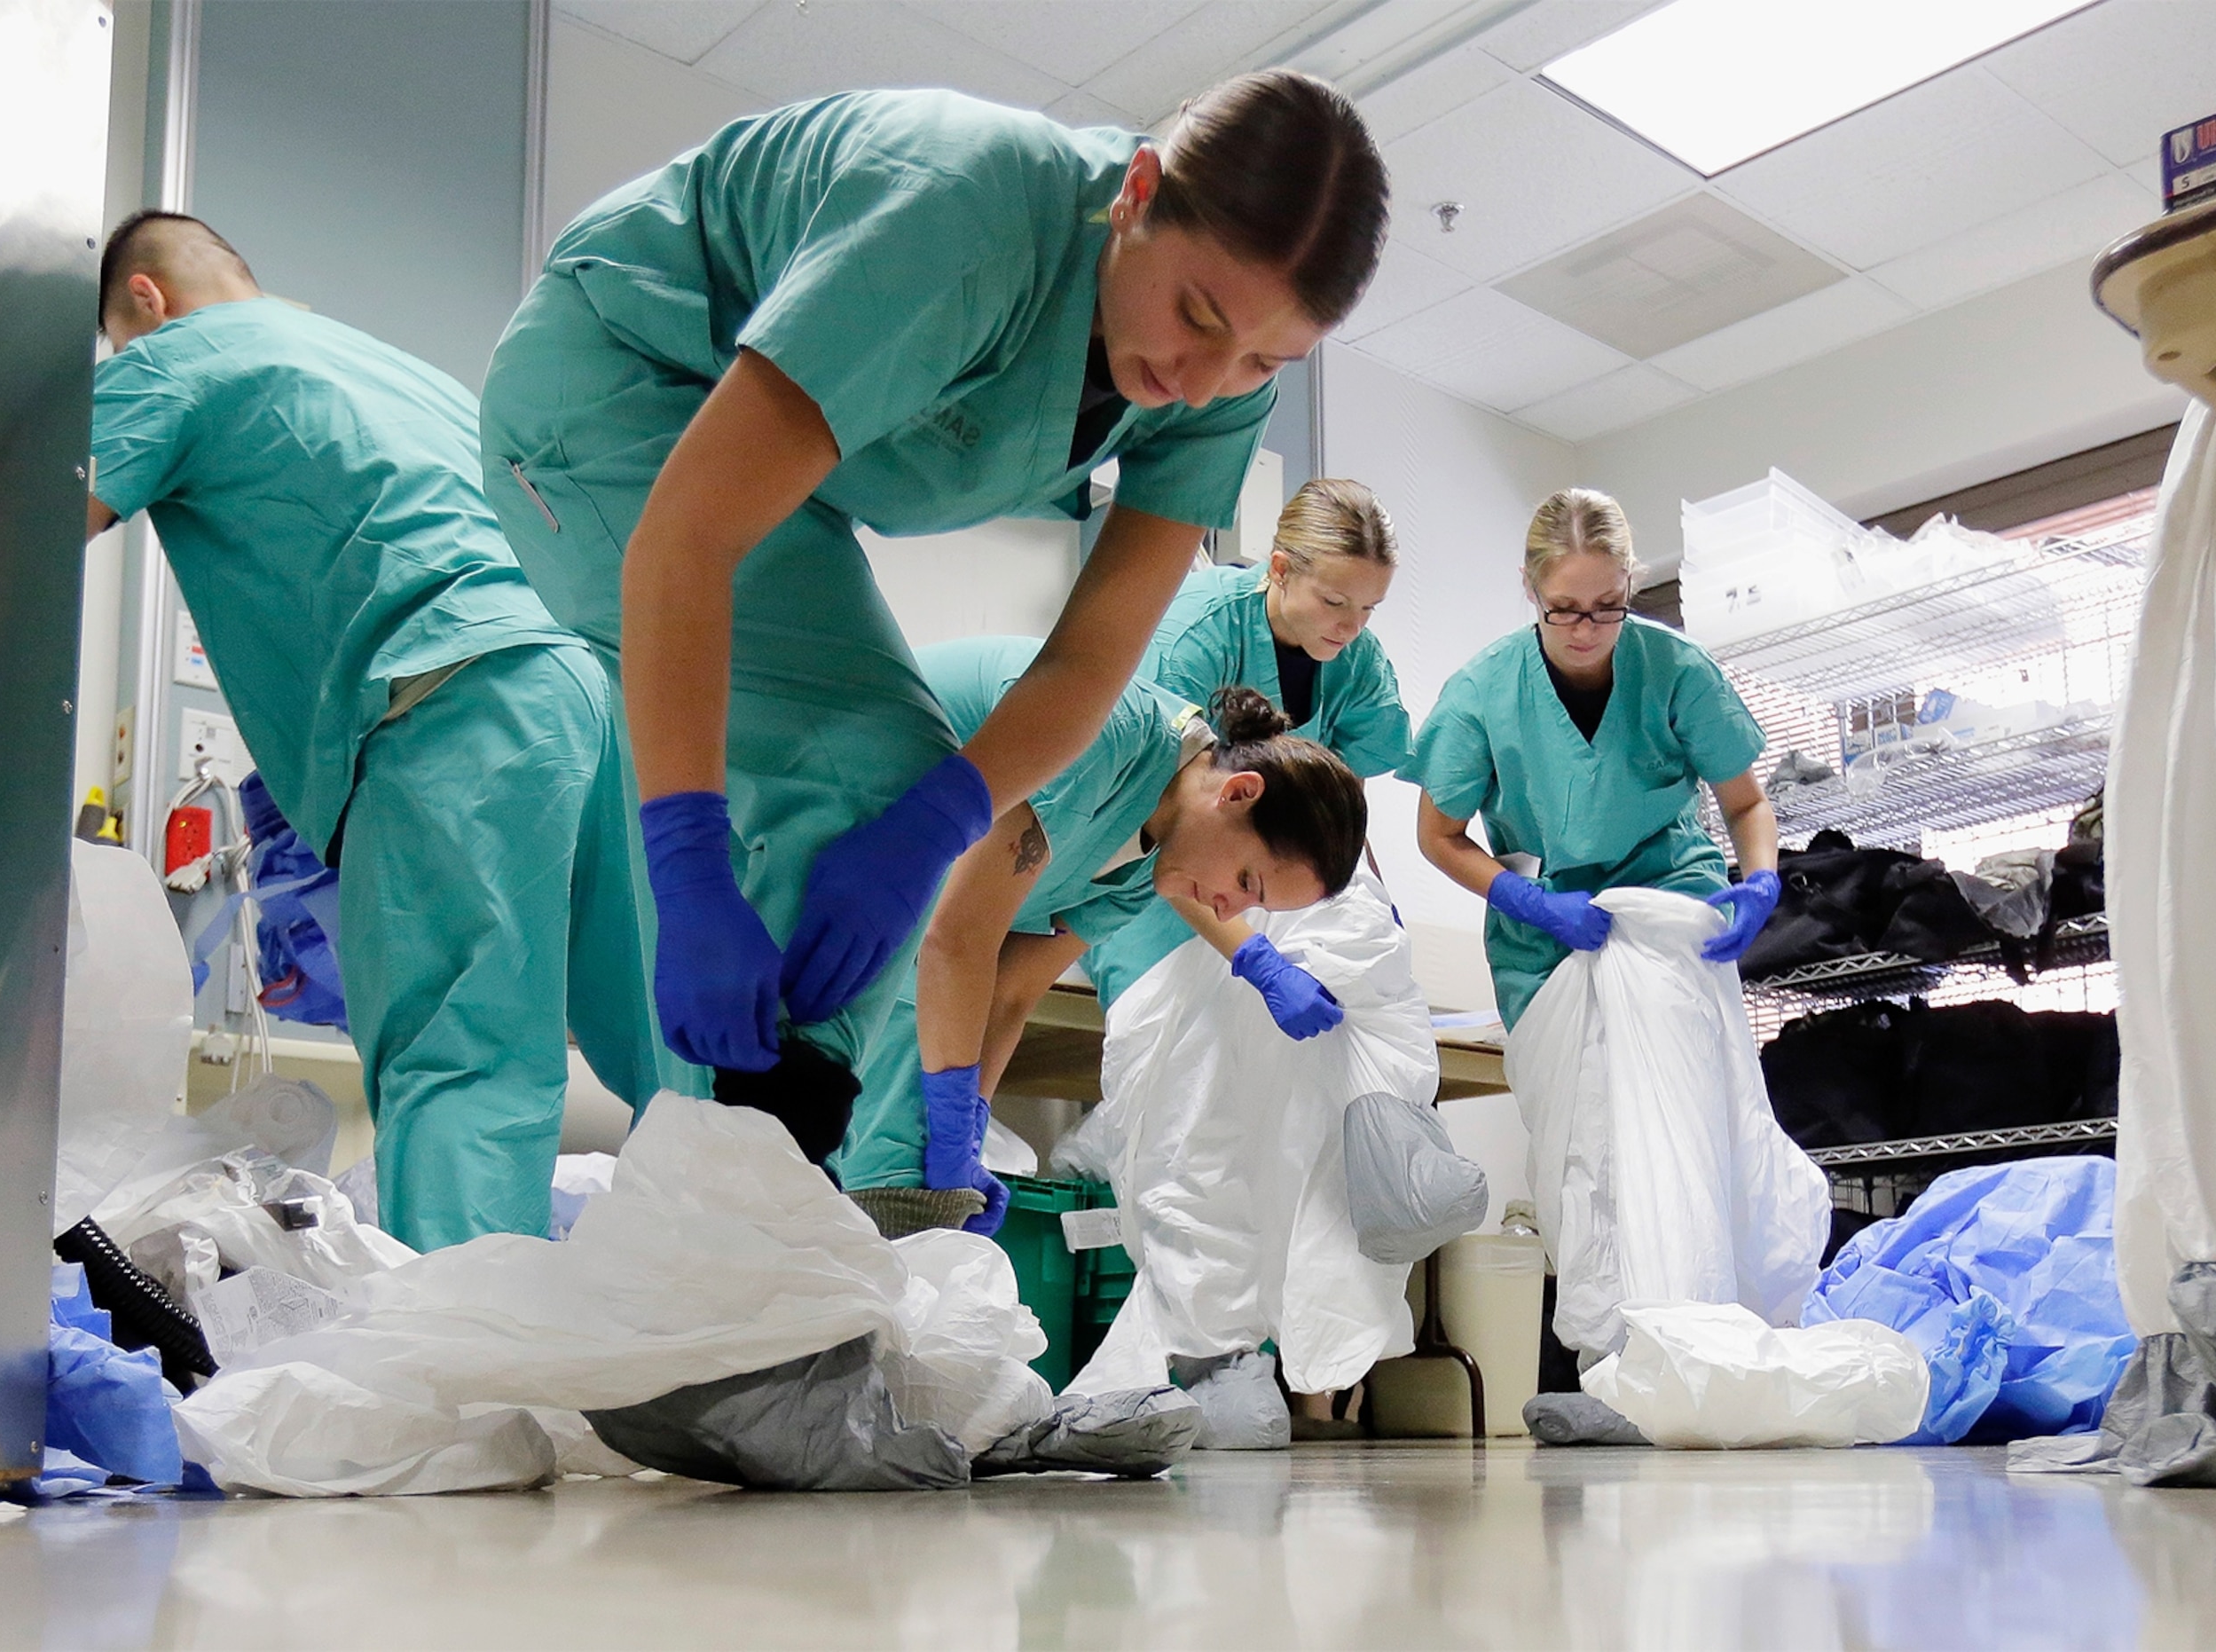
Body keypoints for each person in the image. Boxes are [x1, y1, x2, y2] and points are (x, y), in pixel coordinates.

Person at [477, 75, 1388, 1157]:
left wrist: (936, 827)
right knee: (850, 780)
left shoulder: (1217, 391)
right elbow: (688, 538)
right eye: (1198, 317)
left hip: (776, 490)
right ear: (1137, 193)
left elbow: (1094, 652)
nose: (1204, 385)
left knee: (890, 789)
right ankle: (719, 1198)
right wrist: (688, 868)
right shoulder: (964, 212)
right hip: (617, 391)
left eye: (1262, 360)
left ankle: (752, 1191)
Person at [84, 211, 656, 1251]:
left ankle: (464, 1396)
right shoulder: (390, 366)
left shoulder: (174, 357)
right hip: (586, 696)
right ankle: (780, 1316)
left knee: (465, 1058)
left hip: (450, 711)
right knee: (670, 1046)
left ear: (144, 299)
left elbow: (26, 529)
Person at [836, 637, 1369, 1234]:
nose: (1229, 910)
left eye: (1253, 904)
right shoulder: (1103, 740)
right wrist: (950, 1129)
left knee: (912, 1183)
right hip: (813, 805)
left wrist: (969, 1130)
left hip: (870, 904)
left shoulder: (1149, 868)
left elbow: (1012, 989)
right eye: (1247, 881)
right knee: (895, 1177)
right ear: (1238, 792)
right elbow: (955, 943)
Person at [1403, 488, 1780, 1027]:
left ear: (1631, 581)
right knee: (1584, 1100)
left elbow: (1745, 804)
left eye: (1608, 607)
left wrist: (1762, 879)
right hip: (1544, 932)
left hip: (1668, 900)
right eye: (1564, 610)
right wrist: (1527, 902)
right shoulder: (1482, 693)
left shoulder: (1676, 669)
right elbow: (1437, 835)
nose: (1586, 630)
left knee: (1678, 1069)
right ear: (1530, 589)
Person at [1081, 477, 1409, 1027]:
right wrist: (1255, 960)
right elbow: (1151, 829)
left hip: (1272, 896)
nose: (1351, 627)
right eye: (1334, 601)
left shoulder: (1355, 661)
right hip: (1162, 898)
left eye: (1370, 608)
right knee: (1181, 1070)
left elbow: (1333, 804)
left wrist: (1367, 896)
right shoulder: (1191, 641)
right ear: (1280, 569)